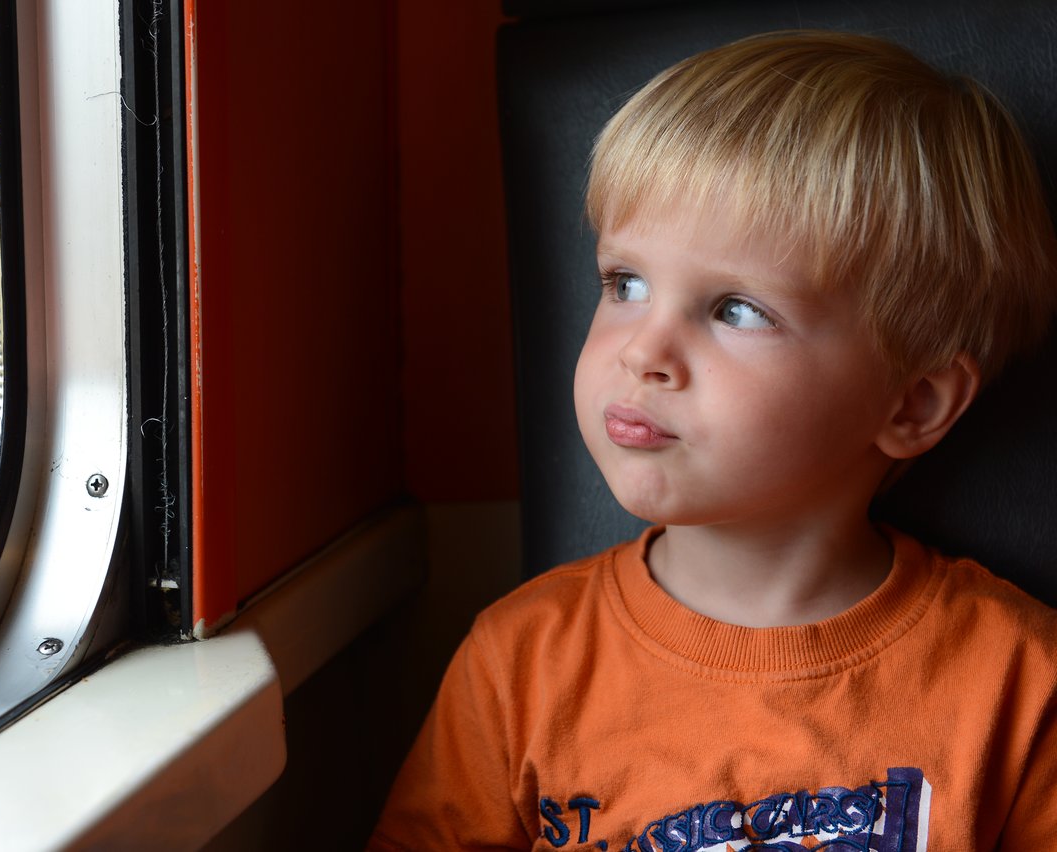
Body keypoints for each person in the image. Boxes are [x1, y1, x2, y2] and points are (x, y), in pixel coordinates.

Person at [369, 30, 1057, 851]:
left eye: (736, 308)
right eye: (625, 284)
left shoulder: (1019, 679)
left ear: (912, 404)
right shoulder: (518, 665)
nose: (642, 352)